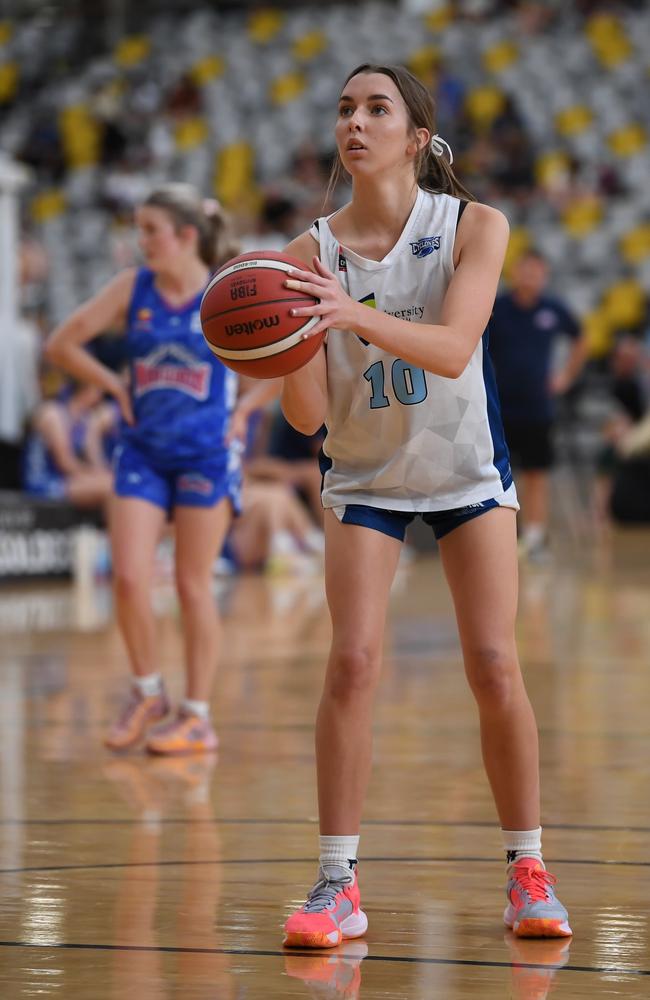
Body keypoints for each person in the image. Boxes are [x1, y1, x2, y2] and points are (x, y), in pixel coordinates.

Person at [278, 64, 572, 948]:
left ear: (416, 138)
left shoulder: (475, 226)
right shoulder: (304, 257)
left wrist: (347, 314)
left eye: (377, 109)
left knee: (492, 662)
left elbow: (451, 349)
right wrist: (276, 341)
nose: (355, 122)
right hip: (364, 473)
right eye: (344, 109)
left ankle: (528, 868)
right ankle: (337, 884)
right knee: (353, 663)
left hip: (465, 469)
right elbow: (307, 416)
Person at [45, 183, 265, 755]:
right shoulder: (131, 288)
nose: (140, 241)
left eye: (150, 230)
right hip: (142, 449)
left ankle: (196, 715)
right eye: (138, 229)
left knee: (193, 585)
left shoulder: (229, 292)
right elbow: (62, 344)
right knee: (128, 577)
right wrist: (113, 383)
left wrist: (245, 408)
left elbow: (287, 355)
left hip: (206, 454)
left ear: (187, 236)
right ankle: (147, 692)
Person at [488, 249, 587, 560]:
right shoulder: (498, 307)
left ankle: (534, 539)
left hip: (537, 407)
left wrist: (566, 376)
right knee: (498, 476)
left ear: (544, 275)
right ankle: (500, 541)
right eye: (525, 270)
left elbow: (581, 337)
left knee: (536, 474)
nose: (530, 276)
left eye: (537, 271)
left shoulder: (552, 308)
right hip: (499, 407)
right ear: (514, 273)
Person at [23, 382, 114, 509]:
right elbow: (65, 463)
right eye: (99, 390)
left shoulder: (85, 419)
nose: (102, 396)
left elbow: (96, 461)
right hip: (43, 483)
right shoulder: (53, 413)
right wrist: (96, 476)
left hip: (66, 480)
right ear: (86, 388)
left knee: (115, 483)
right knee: (111, 486)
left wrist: (103, 473)